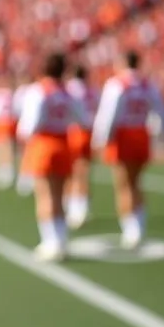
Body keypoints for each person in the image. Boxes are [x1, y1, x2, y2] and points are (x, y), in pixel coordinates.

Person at [92, 51, 164, 249]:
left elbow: (109, 114)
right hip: (141, 135)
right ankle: (139, 223)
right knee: (136, 182)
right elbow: (161, 111)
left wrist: (103, 138)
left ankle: (131, 228)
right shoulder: (147, 85)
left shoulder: (117, 84)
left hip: (123, 137)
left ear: (123, 62)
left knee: (123, 184)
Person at [16, 53, 86, 261]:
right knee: (59, 195)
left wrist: (25, 135)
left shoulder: (38, 91)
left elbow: (30, 124)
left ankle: (51, 242)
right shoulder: (68, 92)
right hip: (64, 143)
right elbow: (82, 119)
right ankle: (61, 239)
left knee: (45, 195)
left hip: (44, 144)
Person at [65, 64, 98, 230]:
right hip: (89, 132)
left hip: (74, 131)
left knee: (72, 171)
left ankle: (74, 207)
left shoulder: (70, 89)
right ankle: (82, 206)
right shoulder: (92, 90)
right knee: (84, 171)